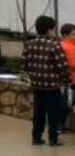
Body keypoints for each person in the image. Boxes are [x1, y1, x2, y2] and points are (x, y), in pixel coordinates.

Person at [23, 16, 69, 146]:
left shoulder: (29, 44)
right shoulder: (54, 45)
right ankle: (53, 139)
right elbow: (62, 66)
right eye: (53, 29)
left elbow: (25, 63)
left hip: (37, 85)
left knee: (39, 112)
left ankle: (36, 137)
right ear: (49, 30)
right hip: (52, 86)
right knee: (53, 114)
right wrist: (66, 80)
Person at [60, 24, 75, 131]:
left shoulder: (61, 45)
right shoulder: (68, 47)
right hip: (71, 81)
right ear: (65, 35)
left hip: (66, 81)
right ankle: (59, 125)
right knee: (67, 103)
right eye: (73, 34)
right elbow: (73, 64)